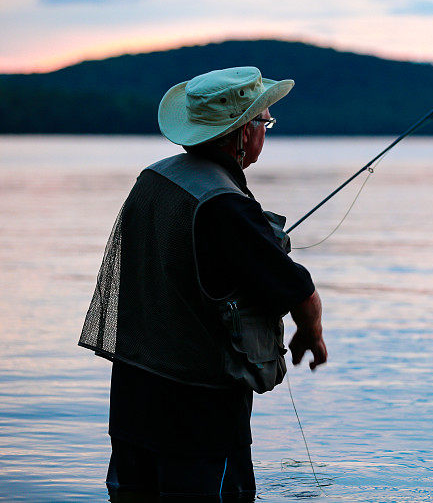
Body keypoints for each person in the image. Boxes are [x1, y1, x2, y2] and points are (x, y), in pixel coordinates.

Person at [78, 66, 327, 500]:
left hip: (132, 399)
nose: (265, 132)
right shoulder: (225, 205)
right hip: (199, 413)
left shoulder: (152, 179)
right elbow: (300, 291)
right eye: (264, 122)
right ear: (241, 134)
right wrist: (312, 335)